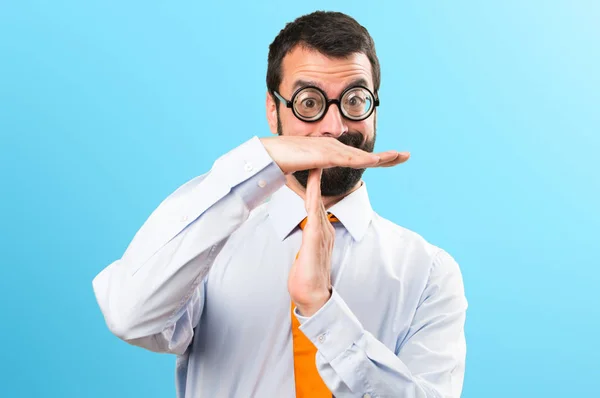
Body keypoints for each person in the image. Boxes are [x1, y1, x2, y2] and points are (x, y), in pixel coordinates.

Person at [92, 10, 467, 398]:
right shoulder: (211, 242)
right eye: (309, 103)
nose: (334, 128)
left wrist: (323, 312)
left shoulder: (429, 272)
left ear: (375, 109)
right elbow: (128, 316)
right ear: (274, 111)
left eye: (355, 100)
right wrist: (258, 162)